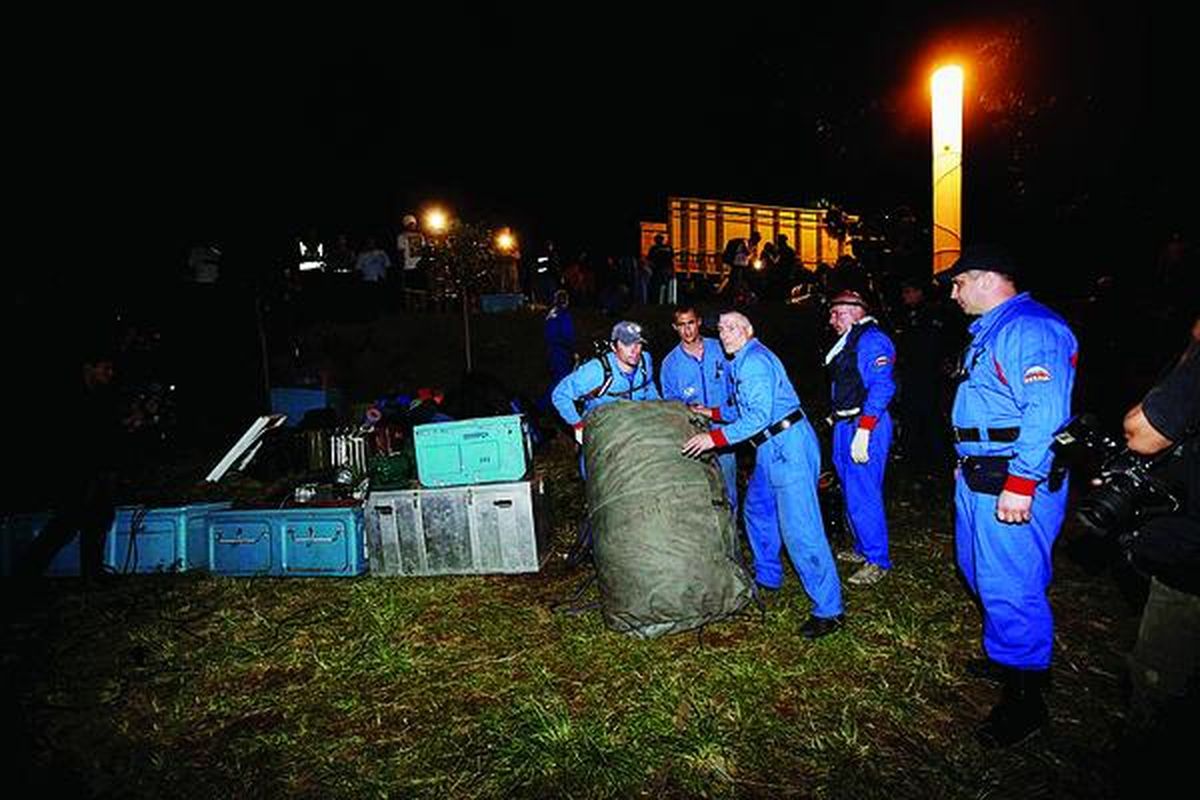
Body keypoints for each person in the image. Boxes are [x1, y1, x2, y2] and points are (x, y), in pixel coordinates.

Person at [942, 244, 1078, 748]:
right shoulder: (994, 329)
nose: (953, 294)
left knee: (1011, 582)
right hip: (981, 471)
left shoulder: (1031, 328)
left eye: (958, 283)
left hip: (1012, 475)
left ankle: (1027, 699)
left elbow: (1046, 411)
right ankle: (1010, 654)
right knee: (978, 568)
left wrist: (1022, 481)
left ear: (987, 278)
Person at [682, 312, 845, 639]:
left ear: (748, 330)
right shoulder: (741, 361)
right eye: (721, 329)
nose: (725, 334)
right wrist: (710, 412)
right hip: (769, 447)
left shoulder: (754, 362)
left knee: (800, 527)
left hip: (788, 445)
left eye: (732, 328)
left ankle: (830, 610)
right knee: (757, 509)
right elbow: (741, 409)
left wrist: (713, 438)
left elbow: (757, 417)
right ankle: (768, 575)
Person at [1118, 317, 1199, 767]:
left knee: (1160, 682)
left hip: (1191, 560)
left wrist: (1192, 351)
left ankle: (1150, 769)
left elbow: (1142, 432)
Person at [18, 345, 126, 579]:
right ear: (89, 368)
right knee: (67, 522)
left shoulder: (102, 397)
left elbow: (106, 434)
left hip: (102, 469)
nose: (110, 374)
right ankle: (27, 571)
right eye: (105, 368)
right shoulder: (71, 398)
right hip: (80, 470)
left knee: (98, 521)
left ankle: (92, 572)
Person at [825, 289, 897, 586]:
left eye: (837, 313)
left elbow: (882, 386)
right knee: (849, 487)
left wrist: (865, 429)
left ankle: (877, 560)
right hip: (846, 424)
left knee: (863, 491)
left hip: (867, 424)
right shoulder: (851, 340)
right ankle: (862, 546)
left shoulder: (872, 340)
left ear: (857, 311)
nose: (832, 320)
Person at [660, 305, 738, 512]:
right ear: (675, 327)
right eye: (681, 325)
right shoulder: (670, 364)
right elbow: (670, 404)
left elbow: (736, 386)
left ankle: (731, 525)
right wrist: (686, 409)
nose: (687, 330)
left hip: (724, 429)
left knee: (728, 487)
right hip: (694, 435)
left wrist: (732, 414)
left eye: (691, 323)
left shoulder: (720, 349)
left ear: (699, 322)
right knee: (701, 491)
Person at [551, 320, 660, 456]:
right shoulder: (596, 371)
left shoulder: (645, 360)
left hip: (635, 421)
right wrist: (577, 424)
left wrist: (657, 406)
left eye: (638, 343)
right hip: (603, 424)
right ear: (614, 347)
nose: (634, 350)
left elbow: (648, 385)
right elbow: (560, 394)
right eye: (626, 344)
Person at [893, 277, 954, 481]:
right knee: (913, 419)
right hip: (913, 375)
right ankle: (914, 462)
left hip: (927, 376)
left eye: (908, 292)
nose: (904, 297)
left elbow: (930, 347)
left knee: (930, 419)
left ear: (919, 292)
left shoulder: (931, 315)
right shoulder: (909, 315)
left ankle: (935, 464)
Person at [647, 234, 675, 305]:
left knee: (658, 286)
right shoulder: (668, 247)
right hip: (667, 269)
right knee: (667, 285)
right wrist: (672, 270)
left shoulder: (654, 248)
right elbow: (672, 259)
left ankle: (659, 301)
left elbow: (650, 260)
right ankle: (669, 301)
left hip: (658, 270)